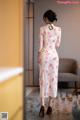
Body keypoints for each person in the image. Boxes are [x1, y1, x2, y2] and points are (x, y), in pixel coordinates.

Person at [38, 10, 61, 117]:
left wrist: (39, 56)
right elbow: (58, 45)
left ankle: (42, 106)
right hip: (54, 56)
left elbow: (40, 47)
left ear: (46, 18)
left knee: (43, 79)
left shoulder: (42, 29)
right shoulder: (59, 30)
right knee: (53, 79)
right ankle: (50, 106)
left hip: (44, 55)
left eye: (44, 18)